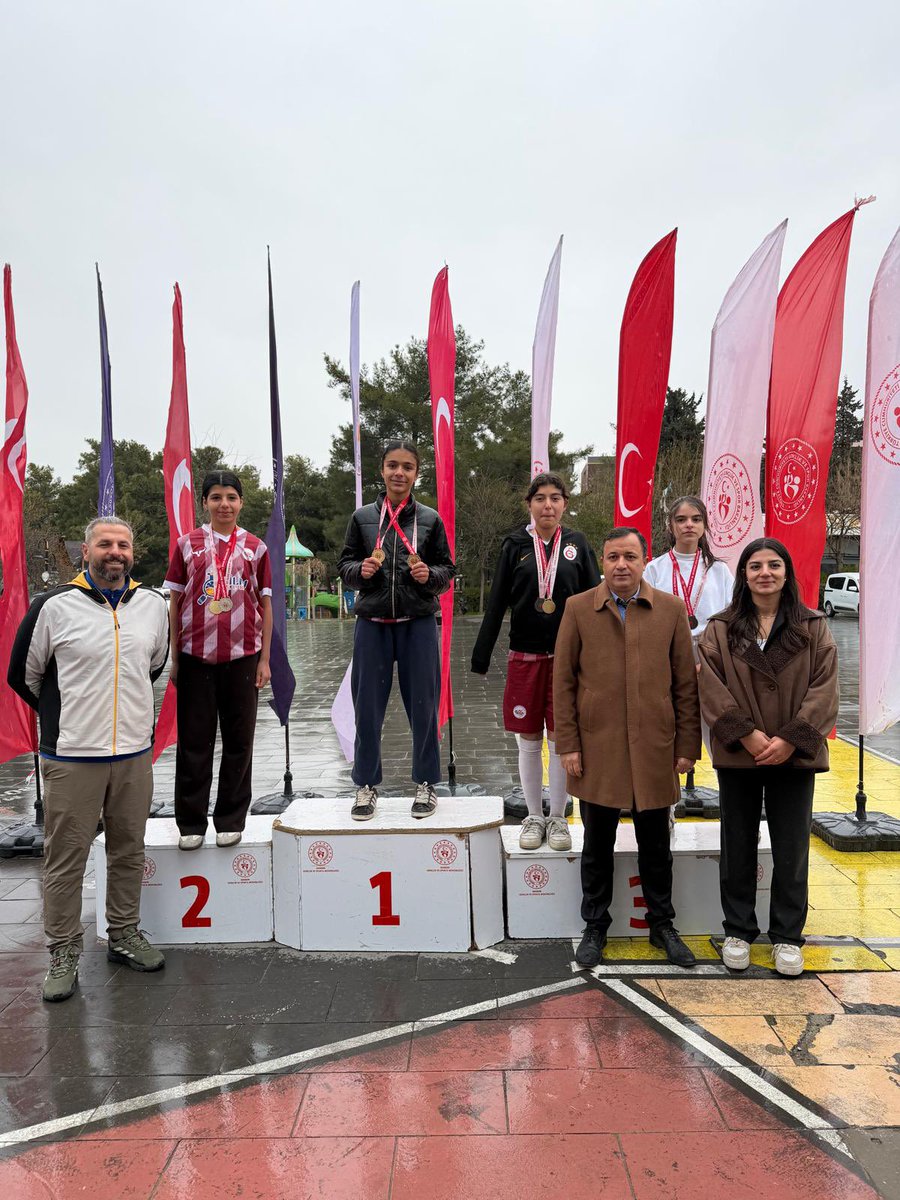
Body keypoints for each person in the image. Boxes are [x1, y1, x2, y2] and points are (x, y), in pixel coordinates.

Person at [8, 517, 170, 1002]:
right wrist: (67, 717)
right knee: (65, 857)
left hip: (134, 754)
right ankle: (62, 950)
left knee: (128, 849)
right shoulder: (52, 606)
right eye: (105, 544)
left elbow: (154, 665)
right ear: (86, 550)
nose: (114, 552)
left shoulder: (152, 606)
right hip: (73, 756)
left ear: (132, 552)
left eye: (123, 544)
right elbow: (24, 676)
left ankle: (122, 933)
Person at [553, 527, 701, 969]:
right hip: (597, 749)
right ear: (603, 561)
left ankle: (662, 925)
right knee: (596, 844)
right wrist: (568, 745)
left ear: (643, 561)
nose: (622, 565)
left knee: (656, 845)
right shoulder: (579, 609)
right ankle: (595, 925)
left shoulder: (671, 610)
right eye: (613, 556)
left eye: (630, 557)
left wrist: (687, 746)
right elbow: (562, 684)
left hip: (655, 748)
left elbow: (685, 687)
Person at [697, 538, 838, 976]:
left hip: (794, 757)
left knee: (792, 847)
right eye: (755, 566)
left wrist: (792, 739)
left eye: (773, 565)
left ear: (786, 572)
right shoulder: (721, 628)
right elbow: (711, 687)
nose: (765, 573)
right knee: (736, 843)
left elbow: (825, 687)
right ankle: (738, 930)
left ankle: (787, 937)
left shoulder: (812, 626)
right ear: (743, 575)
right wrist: (749, 736)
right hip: (742, 755)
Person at [471, 472, 600, 851]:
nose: (548, 505)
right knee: (528, 739)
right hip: (524, 657)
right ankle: (532, 815)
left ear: (565, 504)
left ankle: (558, 818)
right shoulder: (514, 545)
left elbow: (595, 599)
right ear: (529, 504)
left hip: (567, 660)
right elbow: (496, 602)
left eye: (555, 498)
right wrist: (481, 656)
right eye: (540, 498)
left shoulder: (577, 544)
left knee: (562, 740)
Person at [337, 440, 455, 821]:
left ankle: (425, 783)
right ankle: (366, 785)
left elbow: (446, 572)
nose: (399, 473)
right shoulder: (362, 518)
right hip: (372, 625)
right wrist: (360, 572)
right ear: (382, 470)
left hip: (417, 623)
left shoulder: (431, 520)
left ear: (416, 473)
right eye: (392, 465)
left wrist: (429, 575)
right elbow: (345, 566)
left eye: (407, 466)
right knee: (366, 709)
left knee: (423, 707)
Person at [164, 471, 272, 851]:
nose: (224, 504)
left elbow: (266, 605)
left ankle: (230, 818)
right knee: (194, 742)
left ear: (241, 503)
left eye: (231, 497)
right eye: (215, 497)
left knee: (239, 742)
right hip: (195, 658)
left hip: (243, 657)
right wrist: (175, 656)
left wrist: (265, 660)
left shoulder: (255, 548)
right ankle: (191, 823)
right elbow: (175, 602)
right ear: (205, 503)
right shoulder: (186, 545)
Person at [643, 495, 734, 654]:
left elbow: (733, 613)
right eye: (681, 520)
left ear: (704, 525)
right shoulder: (654, 569)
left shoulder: (719, 569)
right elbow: (645, 616)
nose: (689, 525)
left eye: (696, 519)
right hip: (667, 650)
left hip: (713, 651)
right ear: (670, 526)